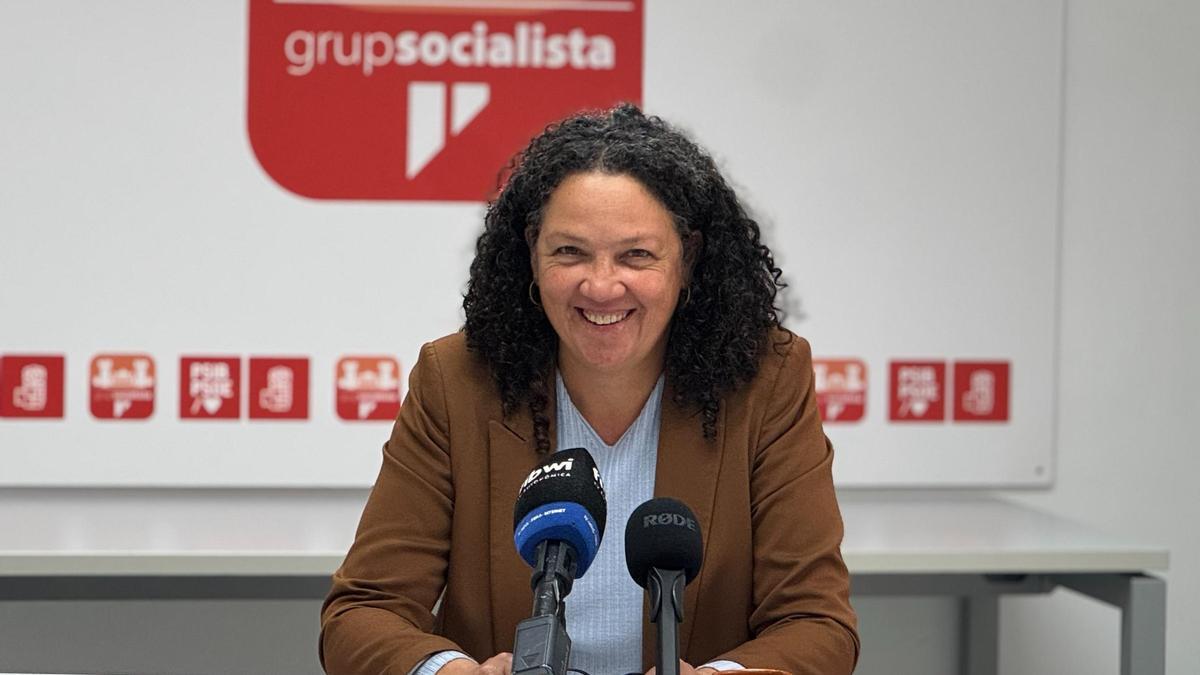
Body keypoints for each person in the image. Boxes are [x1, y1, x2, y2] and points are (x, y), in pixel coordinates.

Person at [320, 104, 859, 675]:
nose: (601, 285)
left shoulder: (766, 378)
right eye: (570, 252)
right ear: (532, 252)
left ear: (688, 260)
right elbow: (363, 612)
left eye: (636, 255)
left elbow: (816, 624)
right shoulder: (456, 379)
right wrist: (456, 673)